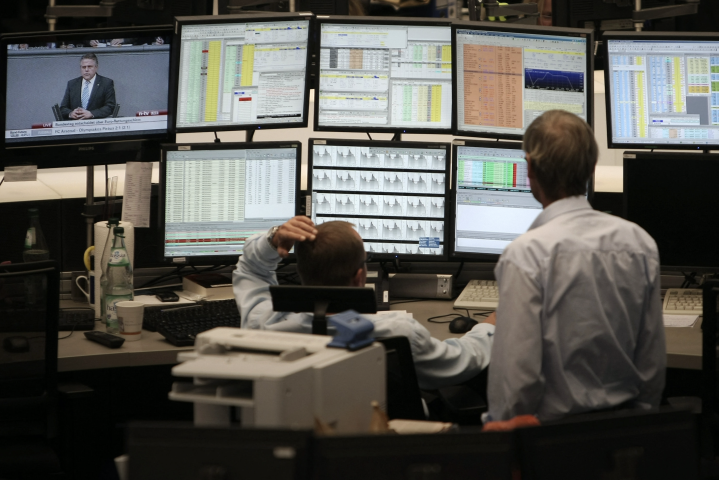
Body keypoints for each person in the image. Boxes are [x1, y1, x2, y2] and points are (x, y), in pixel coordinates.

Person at [485, 110, 665, 422]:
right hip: (625, 442)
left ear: (529, 168)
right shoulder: (640, 243)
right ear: (591, 166)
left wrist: (502, 434)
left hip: (548, 446)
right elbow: (652, 367)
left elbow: (517, 383)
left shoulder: (525, 255)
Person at [233, 218, 495, 390]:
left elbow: (250, 270)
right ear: (361, 277)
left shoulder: (264, 324)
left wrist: (274, 238)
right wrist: (489, 328)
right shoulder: (399, 331)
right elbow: (462, 362)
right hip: (381, 441)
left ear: (301, 273)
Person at [59, 53, 116, 120]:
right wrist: (71, 113)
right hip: (75, 125)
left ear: (96, 67)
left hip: (97, 125)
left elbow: (110, 107)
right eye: (83, 67)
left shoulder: (106, 83)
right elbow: (63, 108)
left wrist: (92, 114)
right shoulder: (72, 84)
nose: (86, 70)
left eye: (89, 67)